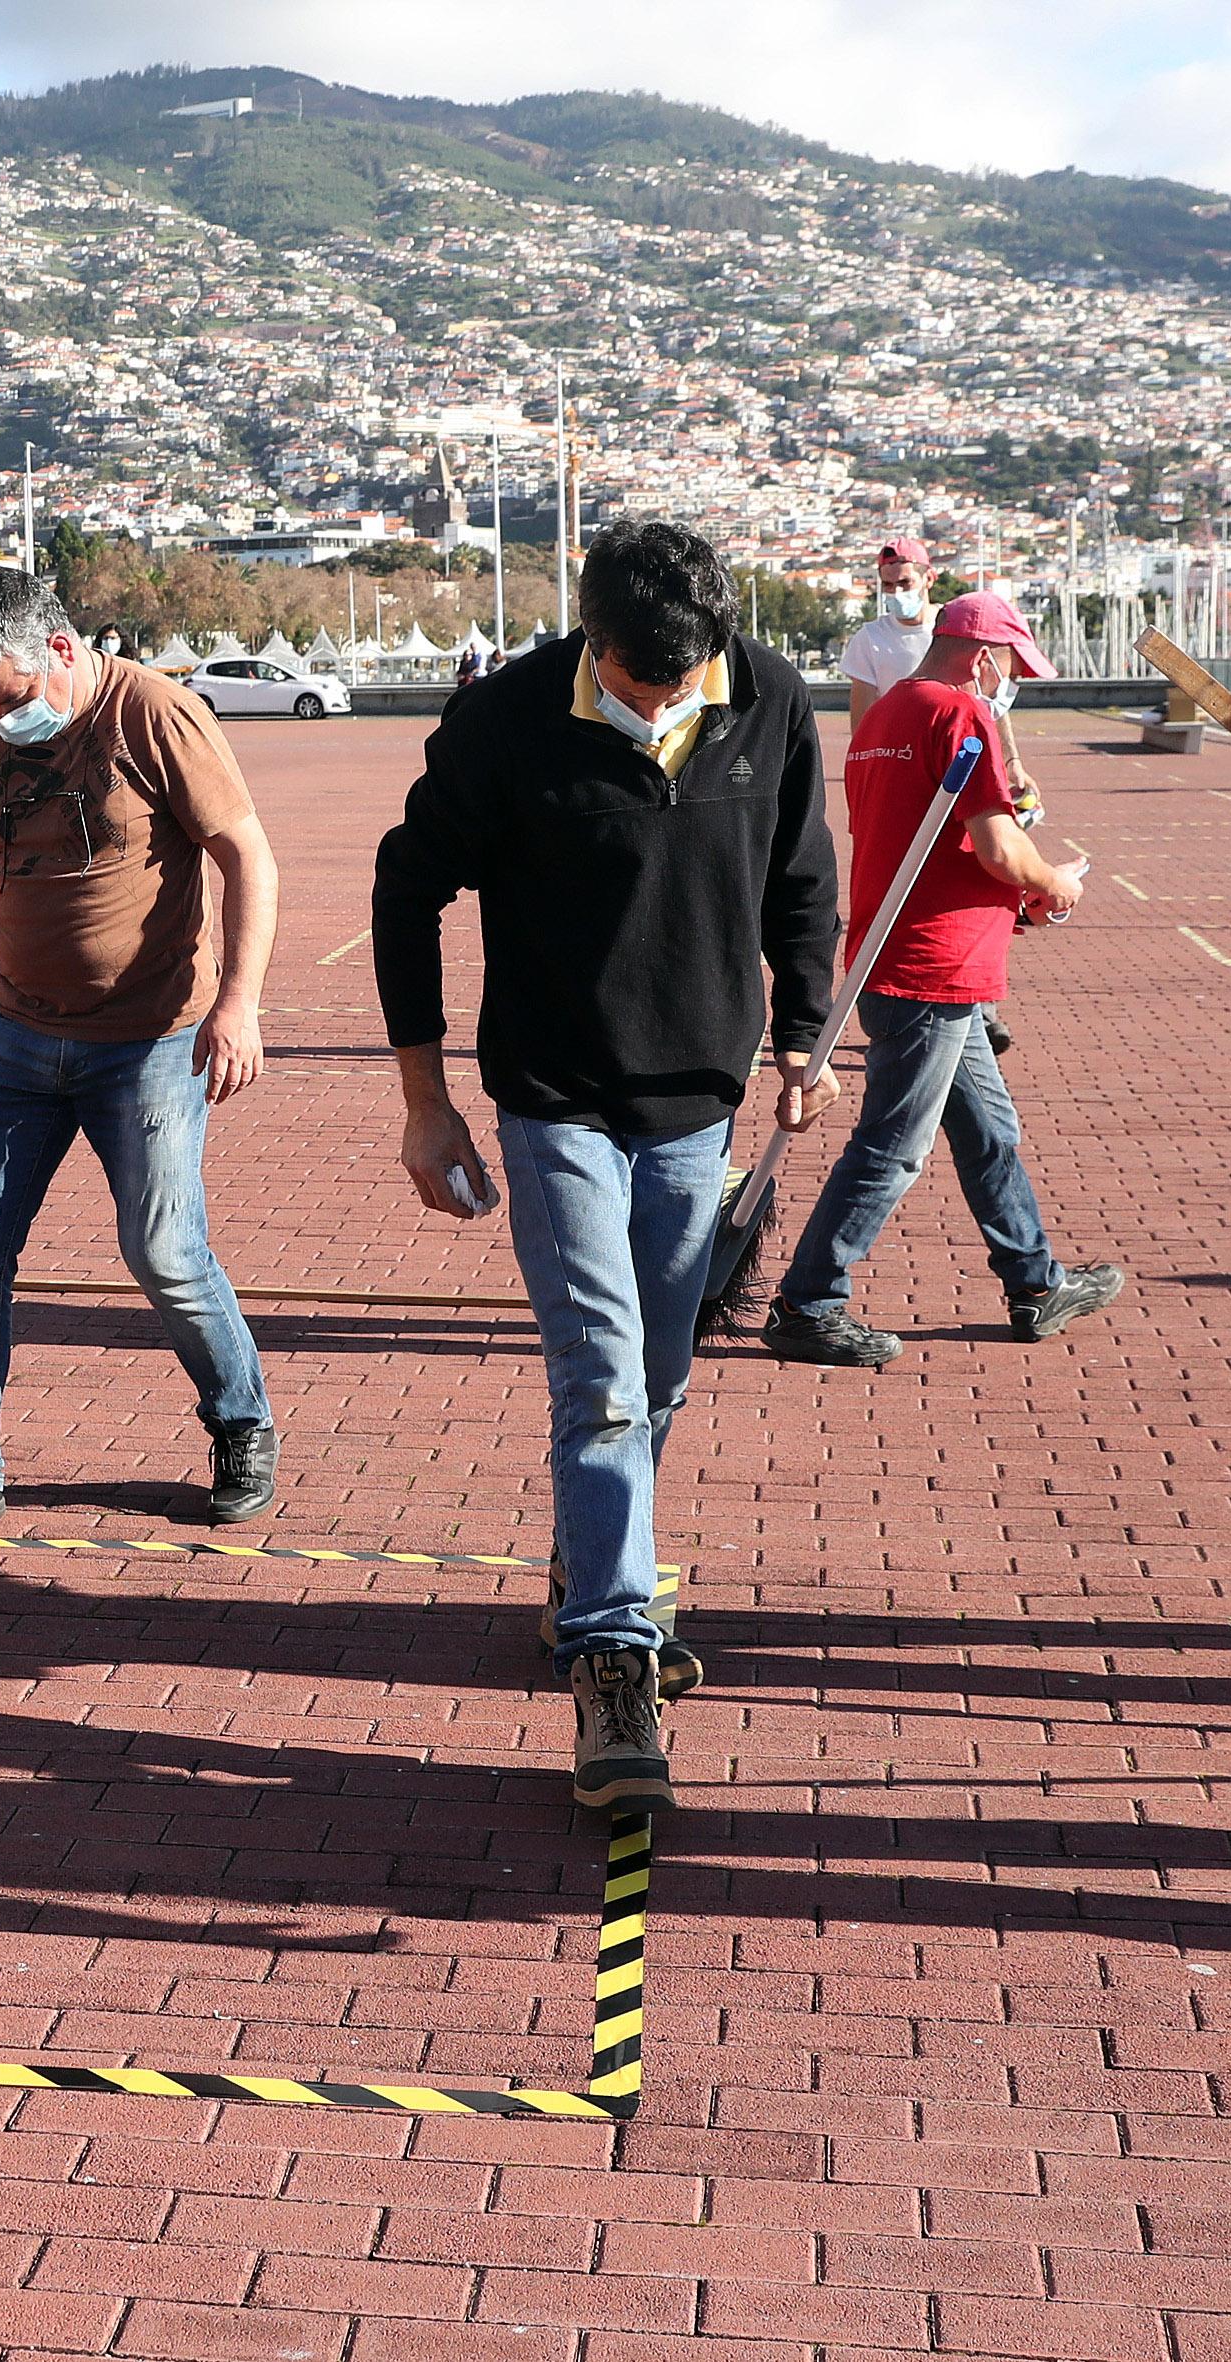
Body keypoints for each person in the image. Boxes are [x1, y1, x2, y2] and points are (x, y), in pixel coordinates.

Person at [373, 519, 842, 1808]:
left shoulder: (773, 702)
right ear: (593, 642)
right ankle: (615, 1659)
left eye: (685, 680)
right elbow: (404, 889)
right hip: (553, 1098)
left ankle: (589, 1570)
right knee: (602, 1375)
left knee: (665, 1371)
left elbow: (804, 878)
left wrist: (805, 1033)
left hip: (700, 1098)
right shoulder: (507, 720)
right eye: (643, 685)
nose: (665, 704)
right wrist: (427, 1104)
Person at [0, 567, 281, 1542]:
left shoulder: (156, 714)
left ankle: (241, 1423)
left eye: (8, 699)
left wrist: (239, 1003)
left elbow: (247, 855)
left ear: (60, 652)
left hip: (150, 1039)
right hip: (18, 1034)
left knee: (163, 1250)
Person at [761, 592, 1124, 1369]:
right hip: (936, 965)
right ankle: (806, 1302)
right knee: (892, 1147)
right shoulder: (961, 716)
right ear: (984, 658)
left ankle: (1034, 1282)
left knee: (988, 1133)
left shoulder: (886, 715)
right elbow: (997, 848)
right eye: (1011, 671)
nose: (1009, 687)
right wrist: (1054, 882)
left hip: (904, 953)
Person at [839, 535, 933, 703]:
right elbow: (863, 722)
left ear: (929, 579)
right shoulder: (870, 639)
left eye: (905, 582)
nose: (896, 592)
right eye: (888, 585)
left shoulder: (953, 630)